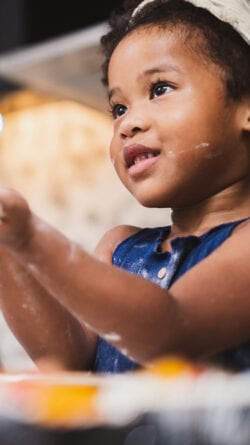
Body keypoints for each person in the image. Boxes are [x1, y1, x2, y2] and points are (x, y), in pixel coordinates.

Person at [0, 0, 249, 374]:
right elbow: (68, 359)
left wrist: (33, 237)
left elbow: (170, 331)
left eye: (160, 88)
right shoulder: (119, 246)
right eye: (118, 108)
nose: (127, 123)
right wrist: (8, 245)